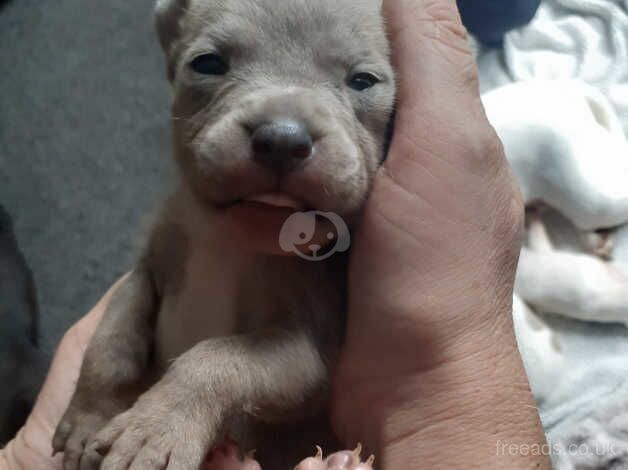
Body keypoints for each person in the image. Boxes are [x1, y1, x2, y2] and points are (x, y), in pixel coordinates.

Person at [0, 0, 549, 468]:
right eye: (212, 65)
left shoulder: (329, 247)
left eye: (361, 81)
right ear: (171, 56)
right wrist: (100, 387)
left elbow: (306, 355)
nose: (283, 133)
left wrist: (200, 389)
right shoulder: (182, 212)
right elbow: (147, 277)